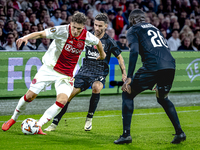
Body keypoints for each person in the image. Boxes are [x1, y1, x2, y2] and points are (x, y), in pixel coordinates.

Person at [1, 12, 106, 135]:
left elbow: (98, 42)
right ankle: (13, 119)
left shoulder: (87, 36)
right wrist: (26, 38)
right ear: (70, 24)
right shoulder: (61, 30)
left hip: (66, 75)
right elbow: (41, 34)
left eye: (79, 28)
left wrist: (102, 54)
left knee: (62, 101)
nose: (76, 31)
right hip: (49, 69)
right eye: (74, 27)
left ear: (83, 27)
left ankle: (38, 125)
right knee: (30, 96)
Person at [44, 13, 127, 132]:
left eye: (100, 26)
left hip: (99, 72)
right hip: (85, 71)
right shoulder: (87, 36)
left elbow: (120, 57)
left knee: (96, 87)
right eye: (95, 25)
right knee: (68, 96)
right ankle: (54, 123)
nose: (97, 28)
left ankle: (89, 117)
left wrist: (124, 73)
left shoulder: (109, 41)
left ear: (106, 26)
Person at [114, 9, 186, 144]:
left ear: (133, 20)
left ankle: (126, 135)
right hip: (170, 65)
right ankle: (180, 132)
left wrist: (129, 77)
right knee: (163, 98)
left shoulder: (133, 29)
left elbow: (134, 51)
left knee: (127, 93)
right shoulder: (155, 28)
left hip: (153, 66)